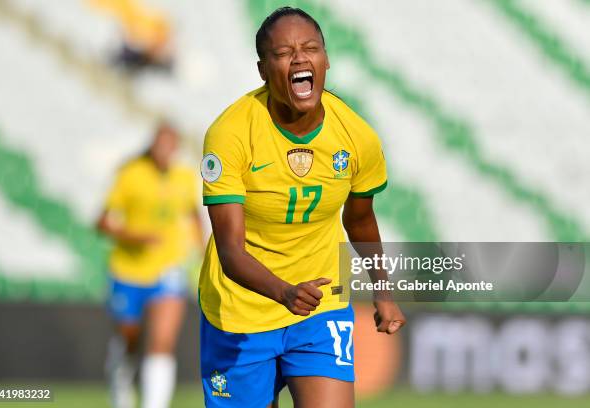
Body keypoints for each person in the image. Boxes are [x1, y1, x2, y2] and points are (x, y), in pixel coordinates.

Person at [199, 7, 406, 408]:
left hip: (319, 303)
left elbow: (360, 221)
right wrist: (283, 291)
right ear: (262, 69)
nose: (299, 58)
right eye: (283, 52)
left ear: (326, 61)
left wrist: (383, 291)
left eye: (310, 48)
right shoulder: (229, 134)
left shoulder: (357, 136)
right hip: (241, 310)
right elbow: (230, 253)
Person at [97, 122, 202, 408]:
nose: (166, 151)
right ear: (152, 146)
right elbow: (103, 221)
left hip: (168, 269)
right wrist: (134, 236)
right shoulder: (131, 174)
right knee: (129, 337)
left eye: (171, 146)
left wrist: (202, 250)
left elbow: (193, 215)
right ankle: (120, 378)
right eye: (161, 145)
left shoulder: (184, 176)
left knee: (162, 342)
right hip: (128, 270)